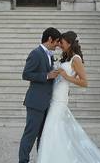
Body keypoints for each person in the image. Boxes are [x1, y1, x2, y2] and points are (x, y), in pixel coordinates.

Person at [37, 31, 100, 163]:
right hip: (54, 97)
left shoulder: (76, 59)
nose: (60, 45)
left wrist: (66, 77)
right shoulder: (67, 57)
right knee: (53, 131)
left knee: (52, 130)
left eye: (62, 42)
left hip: (60, 101)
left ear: (69, 43)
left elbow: (85, 82)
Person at [19, 27, 62, 163]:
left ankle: (41, 159)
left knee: (43, 135)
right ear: (50, 39)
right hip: (35, 102)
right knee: (30, 135)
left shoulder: (49, 55)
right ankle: (23, 161)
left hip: (46, 102)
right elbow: (26, 74)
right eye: (56, 42)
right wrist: (46, 75)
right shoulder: (36, 53)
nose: (57, 45)